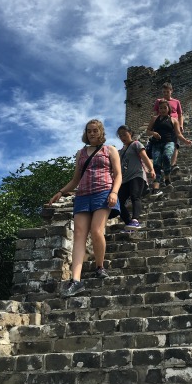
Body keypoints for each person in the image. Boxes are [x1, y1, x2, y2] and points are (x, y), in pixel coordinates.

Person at [48, 119, 122, 298]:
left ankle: (99, 266)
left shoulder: (110, 149)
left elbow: (118, 174)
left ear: (101, 132)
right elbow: (76, 179)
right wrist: (60, 191)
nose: (92, 133)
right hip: (82, 195)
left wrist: (114, 192)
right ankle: (75, 280)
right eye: (89, 131)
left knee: (97, 231)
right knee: (79, 235)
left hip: (103, 192)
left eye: (95, 130)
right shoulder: (80, 153)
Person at [147, 99, 192, 197]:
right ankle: (156, 188)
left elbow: (178, 134)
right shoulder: (154, 119)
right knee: (156, 164)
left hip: (169, 142)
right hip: (156, 144)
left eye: (164, 108)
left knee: (167, 157)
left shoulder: (173, 120)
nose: (162, 110)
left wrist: (185, 141)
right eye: (161, 108)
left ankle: (167, 176)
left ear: (168, 109)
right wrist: (153, 133)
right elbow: (147, 131)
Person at [117, 125, 155, 230]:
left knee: (135, 196)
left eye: (124, 134)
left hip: (137, 175)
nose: (122, 137)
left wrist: (151, 169)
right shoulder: (120, 152)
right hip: (125, 179)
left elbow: (145, 157)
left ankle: (135, 220)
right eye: (120, 135)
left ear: (131, 133)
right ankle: (128, 222)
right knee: (117, 201)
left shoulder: (136, 144)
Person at [152, 82, 183, 173]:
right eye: (164, 92)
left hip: (174, 125)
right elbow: (155, 114)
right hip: (162, 125)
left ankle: (173, 164)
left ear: (171, 91)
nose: (165, 93)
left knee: (175, 144)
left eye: (167, 92)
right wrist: (154, 126)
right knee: (161, 145)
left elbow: (180, 115)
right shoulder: (159, 101)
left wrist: (181, 125)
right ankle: (161, 165)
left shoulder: (176, 102)